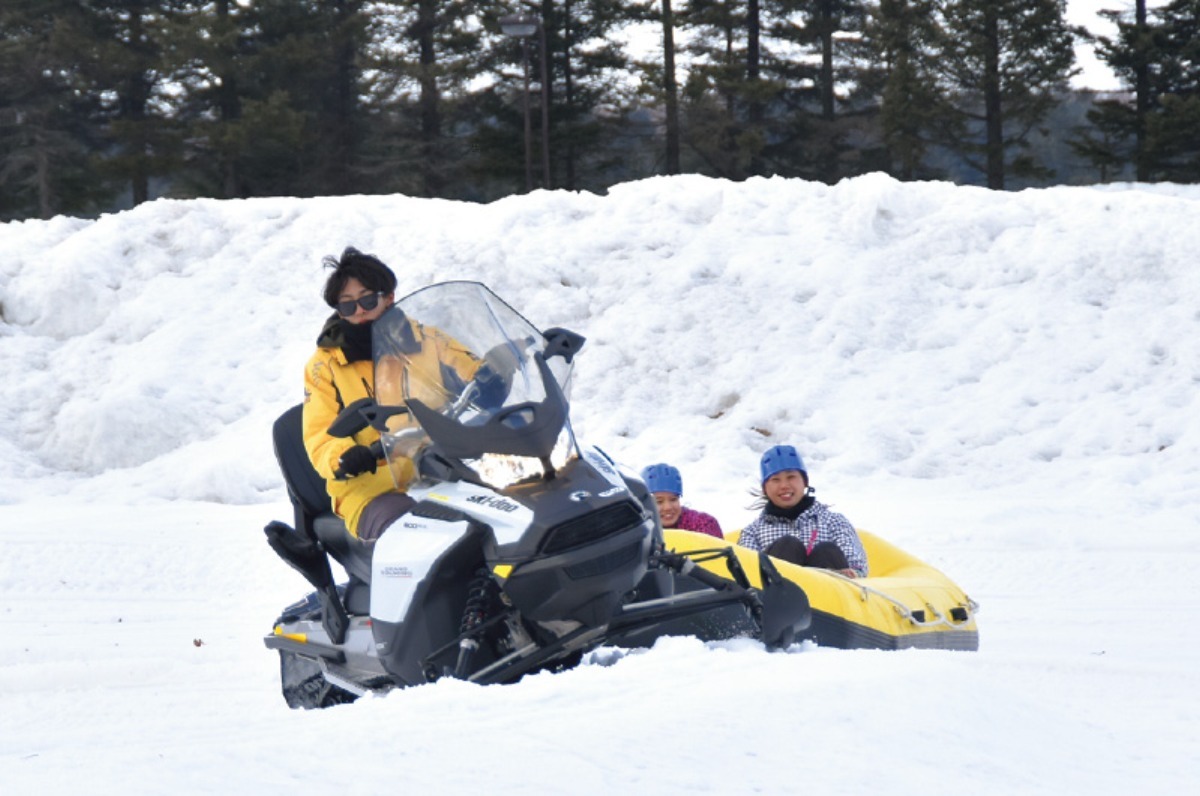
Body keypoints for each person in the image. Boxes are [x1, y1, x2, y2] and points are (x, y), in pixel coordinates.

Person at [302, 247, 483, 543]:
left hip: (442, 468)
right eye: (347, 306)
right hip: (373, 488)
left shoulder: (430, 341)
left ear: (389, 297)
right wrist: (345, 458)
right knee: (419, 537)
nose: (359, 311)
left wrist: (496, 375)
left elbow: (473, 372)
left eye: (367, 300)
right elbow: (319, 435)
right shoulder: (325, 366)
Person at [736, 445, 868, 578]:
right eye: (775, 480)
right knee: (788, 546)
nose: (784, 486)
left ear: (805, 482)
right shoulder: (753, 532)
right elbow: (745, 575)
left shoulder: (833, 521)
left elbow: (858, 567)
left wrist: (852, 573)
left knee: (826, 550)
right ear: (765, 488)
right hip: (780, 594)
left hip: (828, 593)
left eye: (791, 477)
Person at [640, 463, 724, 539]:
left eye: (673, 499)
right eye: (659, 501)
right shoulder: (639, 530)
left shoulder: (703, 523)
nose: (668, 507)